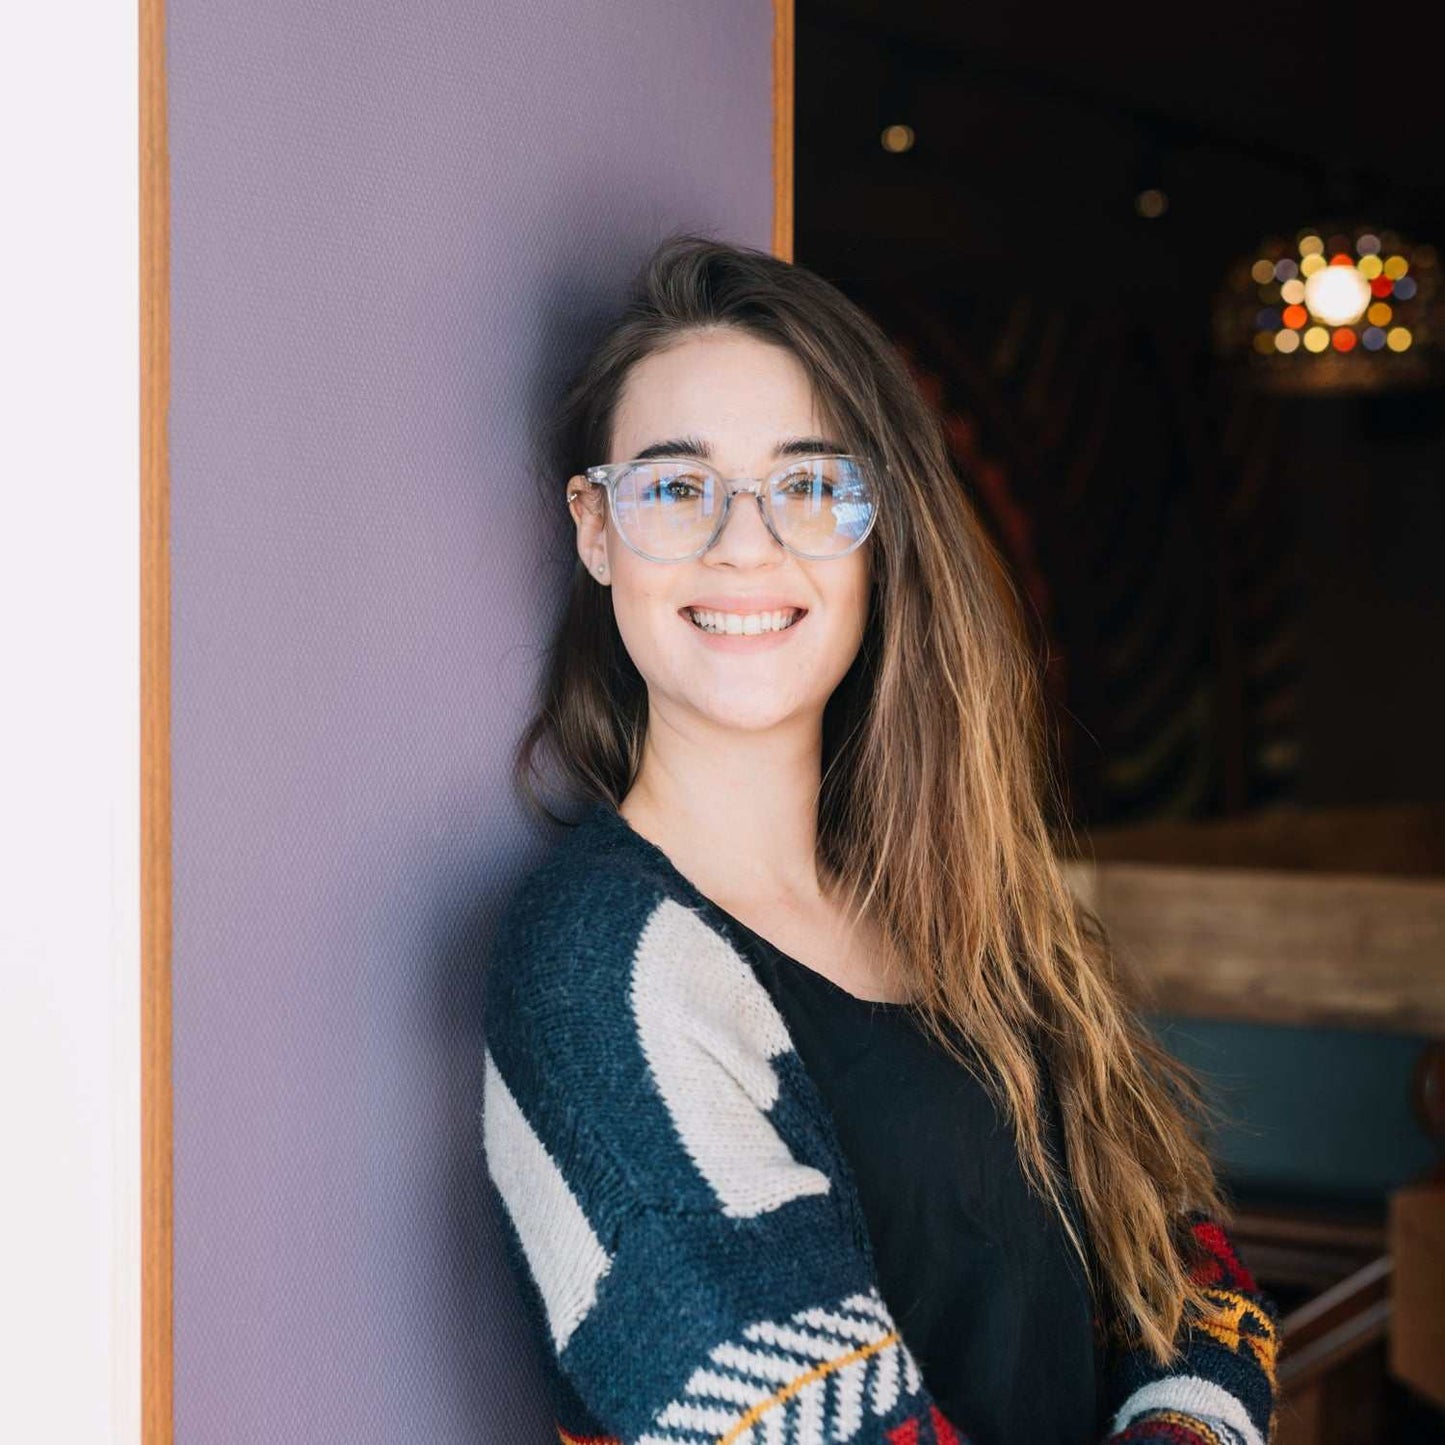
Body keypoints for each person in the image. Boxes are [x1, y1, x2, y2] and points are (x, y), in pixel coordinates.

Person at [480, 234, 1281, 1445]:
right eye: (675, 485)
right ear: (595, 530)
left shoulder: (971, 909)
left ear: (875, 531)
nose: (744, 544)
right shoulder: (601, 971)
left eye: (806, 485)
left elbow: (1190, 1280)